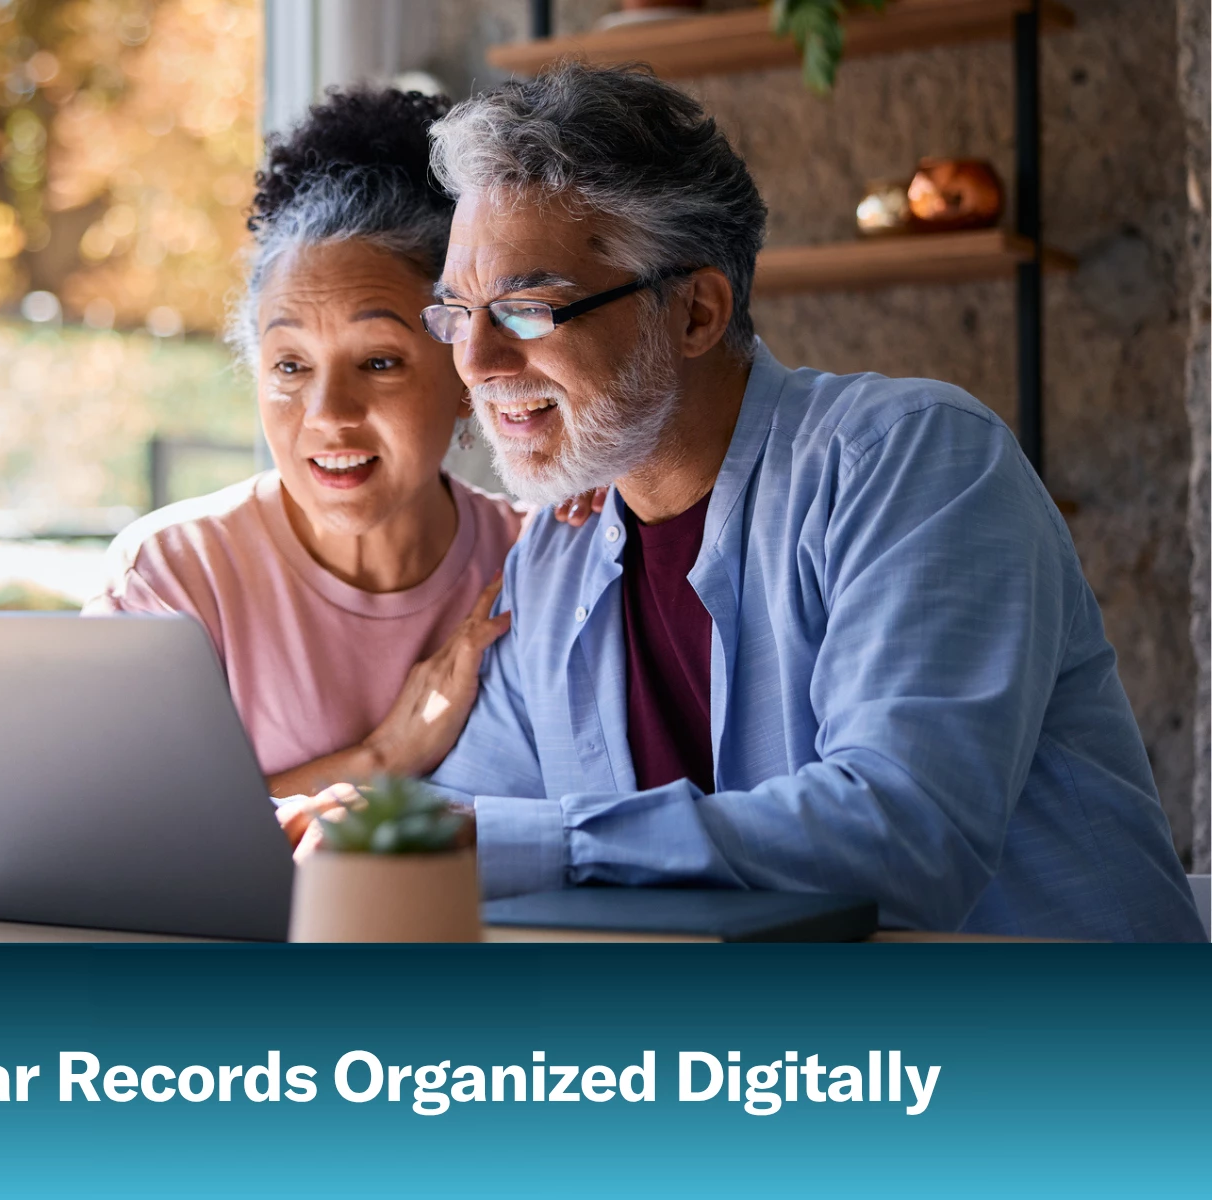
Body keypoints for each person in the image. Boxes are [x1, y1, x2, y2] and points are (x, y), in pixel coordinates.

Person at [286, 64, 1202, 941]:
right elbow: (479, 811)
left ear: (696, 313)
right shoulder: (557, 558)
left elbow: (903, 838)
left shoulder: (913, 459)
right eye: (457, 315)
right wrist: (344, 832)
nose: (478, 364)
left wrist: (507, 843)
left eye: (528, 310)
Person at [86, 87, 527, 799]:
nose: (328, 415)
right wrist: (380, 760)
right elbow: (121, 834)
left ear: (465, 369)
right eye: (290, 366)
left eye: (378, 361)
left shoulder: (538, 563)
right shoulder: (173, 577)